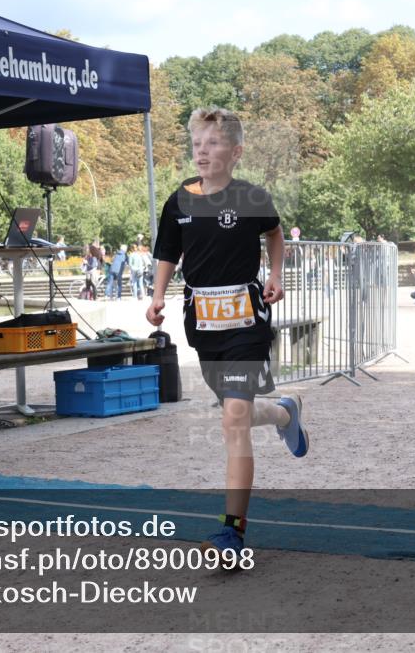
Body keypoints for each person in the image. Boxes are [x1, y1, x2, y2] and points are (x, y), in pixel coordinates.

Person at [146, 106, 305, 561]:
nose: (202, 150)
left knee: (233, 419)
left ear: (235, 152)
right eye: (197, 143)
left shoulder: (253, 198)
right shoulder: (178, 201)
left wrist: (275, 274)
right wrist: (157, 297)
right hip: (203, 325)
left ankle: (231, 532)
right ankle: (284, 414)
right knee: (238, 415)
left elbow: (275, 234)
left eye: (212, 143)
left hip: (247, 324)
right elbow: (167, 254)